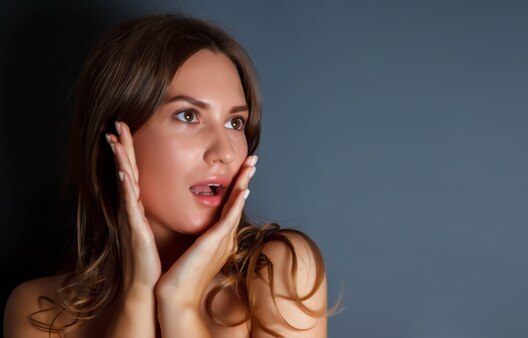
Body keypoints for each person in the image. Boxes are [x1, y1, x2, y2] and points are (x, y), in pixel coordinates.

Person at [4, 13, 333, 338]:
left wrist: (179, 301)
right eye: (188, 115)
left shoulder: (280, 270)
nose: (225, 151)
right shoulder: (40, 311)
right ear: (117, 137)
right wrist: (137, 295)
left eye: (235, 123)